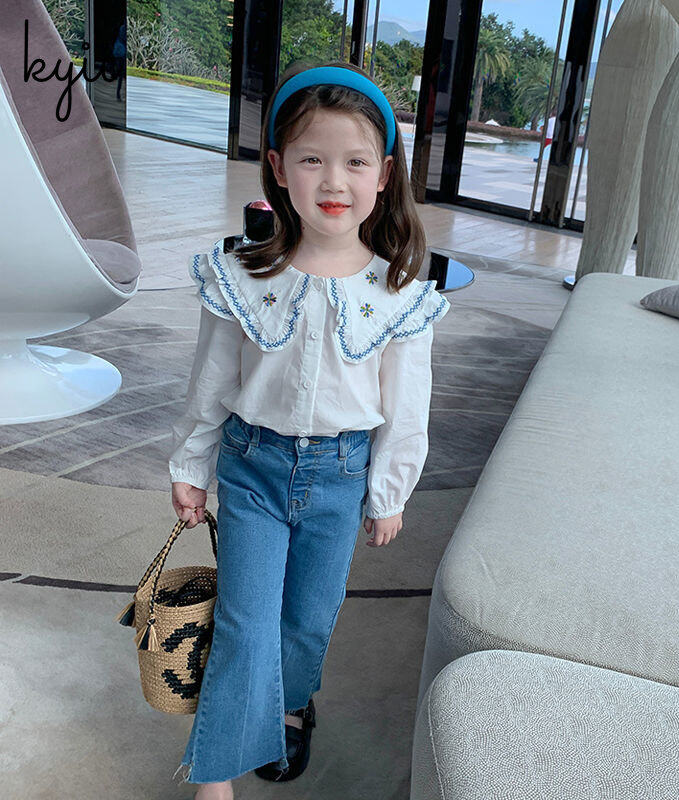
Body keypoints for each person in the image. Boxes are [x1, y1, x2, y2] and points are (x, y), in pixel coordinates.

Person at [167, 60, 451, 800]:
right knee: (245, 621)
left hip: (340, 477)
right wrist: (191, 466)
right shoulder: (242, 276)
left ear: (384, 175)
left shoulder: (399, 294)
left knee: (306, 620)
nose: (334, 181)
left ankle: (291, 704)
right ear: (277, 167)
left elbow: (406, 408)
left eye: (355, 162)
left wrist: (388, 492)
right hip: (253, 469)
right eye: (312, 159)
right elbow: (212, 381)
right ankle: (216, 774)